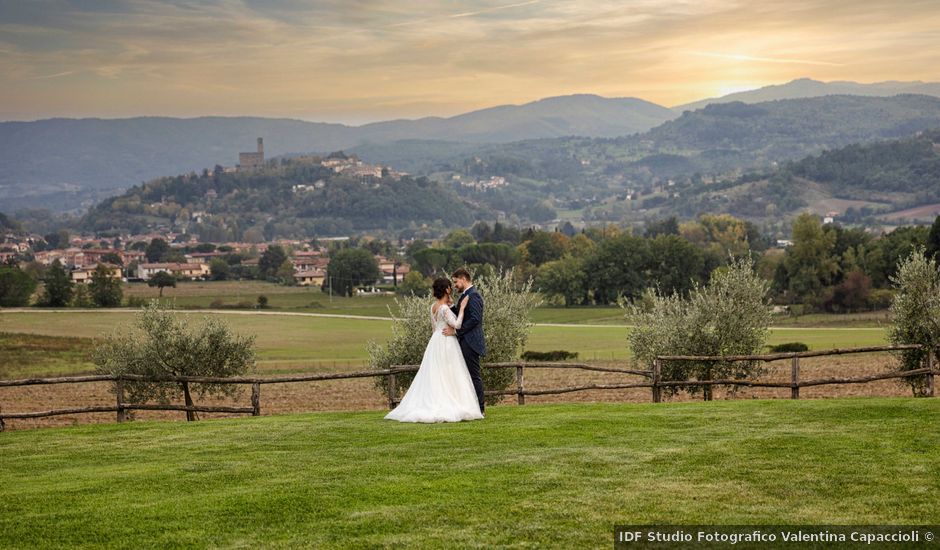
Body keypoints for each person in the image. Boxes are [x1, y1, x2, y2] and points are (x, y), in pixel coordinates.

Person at [384, 277, 484, 423]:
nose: (453, 288)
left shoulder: (433, 307)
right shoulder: (444, 308)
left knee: (438, 374)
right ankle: (452, 404)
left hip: (435, 341)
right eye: (451, 286)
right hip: (447, 341)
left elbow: (434, 328)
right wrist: (461, 309)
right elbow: (456, 324)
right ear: (447, 290)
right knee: (449, 373)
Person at [442, 267, 486, 415]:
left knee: (474, 376)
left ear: (463, 279)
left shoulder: (474, 296)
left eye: (455, 282)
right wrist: (454, 307)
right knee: (466, 375)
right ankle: (471, 407)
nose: (454, 285)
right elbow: (464, 317)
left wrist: (456, 331)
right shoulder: (466, 295)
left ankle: (480, 409)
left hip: (471, 341)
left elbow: (475, 319)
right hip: (465, 340)